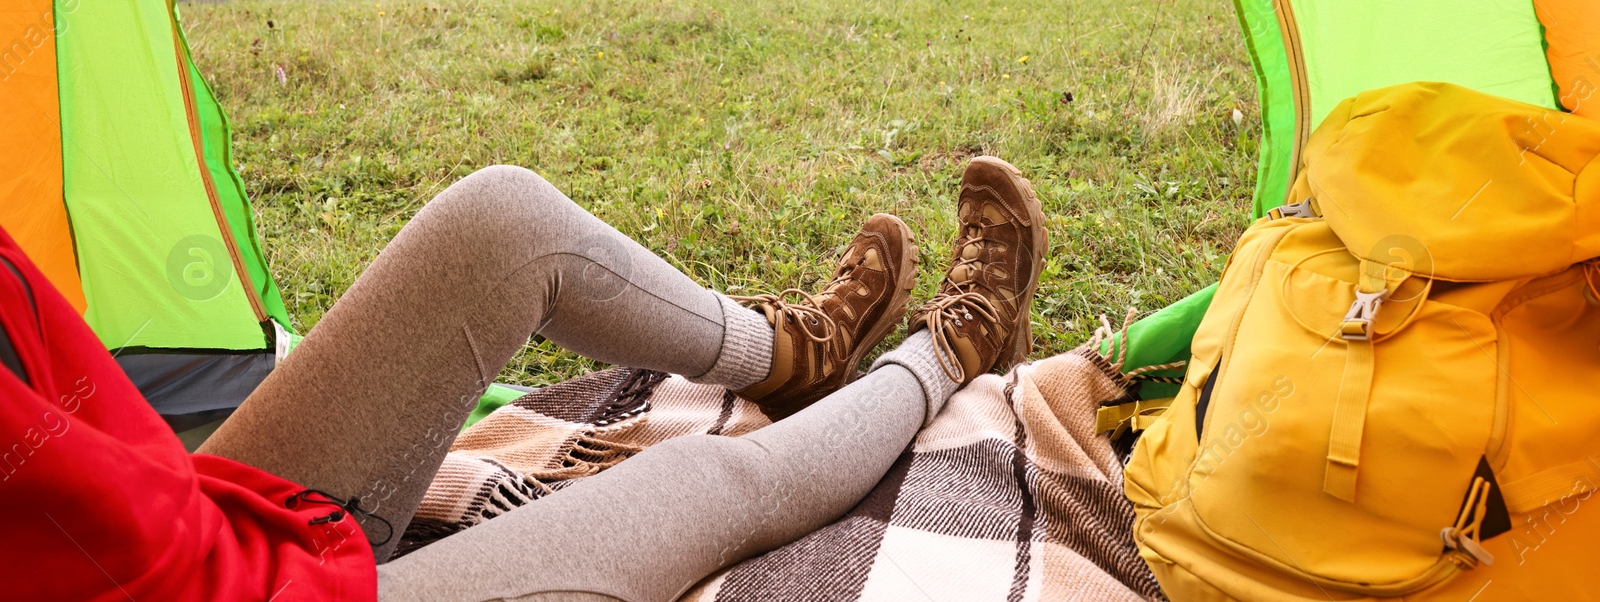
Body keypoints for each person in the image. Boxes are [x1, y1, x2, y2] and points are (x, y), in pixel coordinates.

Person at [2, 157, 1049, 602]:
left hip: (178, 528)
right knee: (694, 478)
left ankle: (797, 354)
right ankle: (953, 351)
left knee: (502, 223)